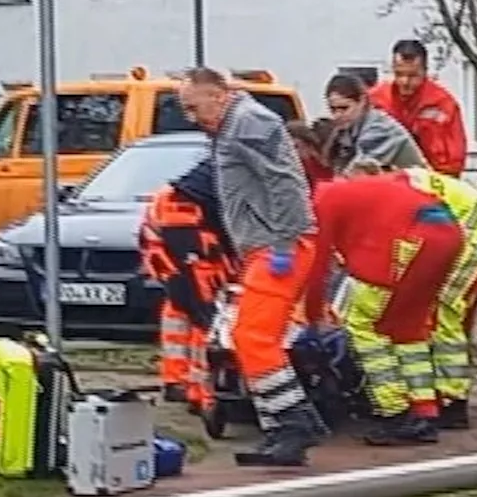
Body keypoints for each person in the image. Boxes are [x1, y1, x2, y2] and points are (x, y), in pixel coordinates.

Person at [176, 67, 325, 467]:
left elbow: (285, 182)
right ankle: (282, 429)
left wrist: (282, 243)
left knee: (251, 337)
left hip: (280, 246)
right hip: (271, 245)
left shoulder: (248, 123)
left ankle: (293, 424)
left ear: (218, 95)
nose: (192, 118)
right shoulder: (237, 126)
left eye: (194, 107)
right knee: (254, 339)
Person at [303, 170, 464, 445]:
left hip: (404, 244)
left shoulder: (322, 200)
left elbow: (317, 264)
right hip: (449, 235)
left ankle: (395, 412)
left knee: (363, 325)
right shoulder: (363, 187)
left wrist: (313, 313)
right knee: (409, 327)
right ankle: (424, 412)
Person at [349, 159, 477, 429]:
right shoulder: (398, 184)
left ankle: (452, 398)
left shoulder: (393, 195)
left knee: (445, 307)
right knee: (440, 307)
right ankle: (446, 392)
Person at [140, 158, 236, 413]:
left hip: (173, 246)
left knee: (180, 308)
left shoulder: (181, 189)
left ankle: (177, 380)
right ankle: (202, 392)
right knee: (206, 316)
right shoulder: (225, 178)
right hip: (189, 241)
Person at [368, 39, 468, 177]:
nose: (405, 82)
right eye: (399, 74)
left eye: (413, 75)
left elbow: (454, 158)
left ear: (425, 72)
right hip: (386, 180)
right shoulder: (376, 100)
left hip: (431, 181)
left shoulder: (443, 104)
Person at [325, 73, 428, 174]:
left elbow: (357, 174)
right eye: (332, 109)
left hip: (416, 187)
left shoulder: (380, 128)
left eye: (344, 108)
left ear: (362, 101)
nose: (337, 115)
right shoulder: (349, 129)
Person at [286, 118, 335, 193]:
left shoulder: (332, 157)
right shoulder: (303, 165)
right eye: (290, 149)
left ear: (308, 143)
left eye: (296, 146)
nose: (293, 153)